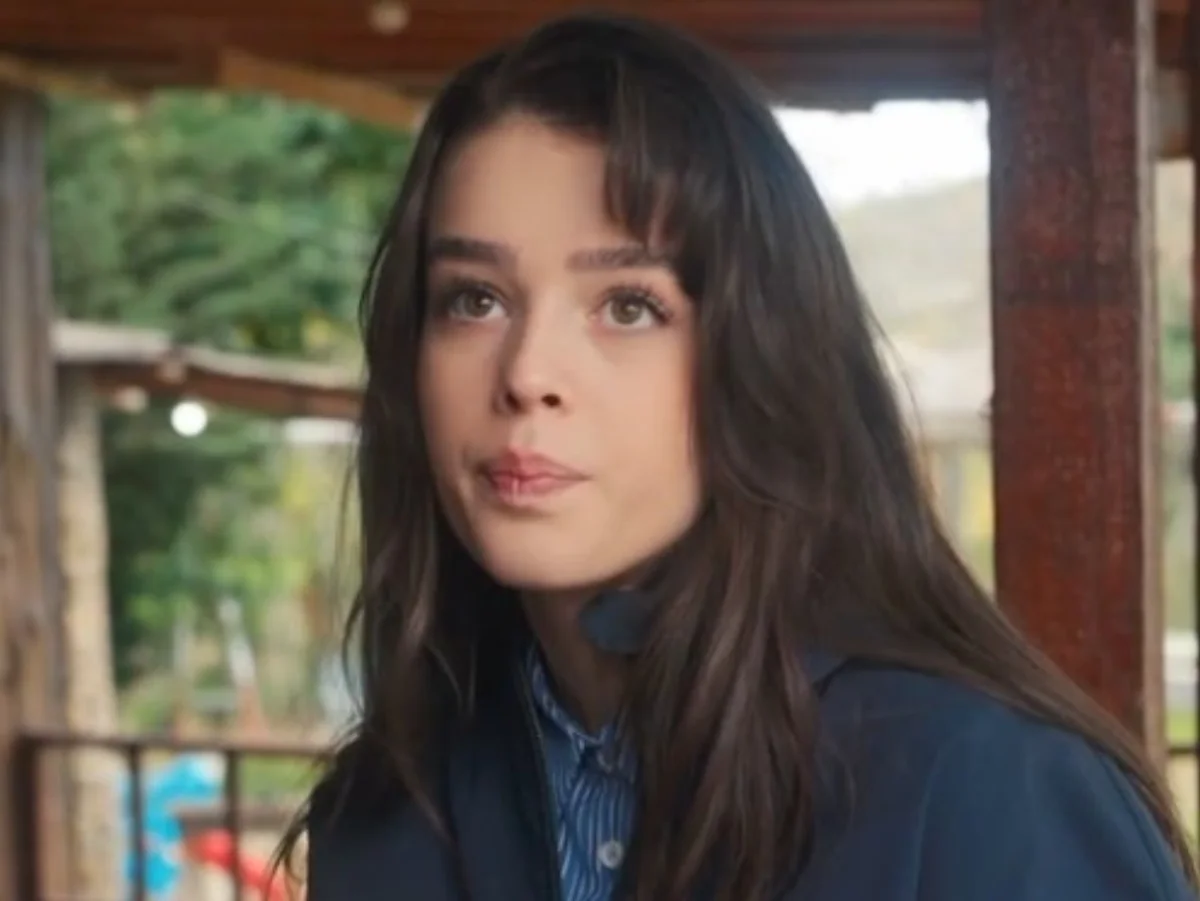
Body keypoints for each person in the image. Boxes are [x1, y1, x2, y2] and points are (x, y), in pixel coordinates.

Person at [278, 12, 1198, 901]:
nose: (527, 374)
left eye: (629, 306)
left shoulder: (990, 792)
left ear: (765, 354)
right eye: (475, 299)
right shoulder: (380, 820)